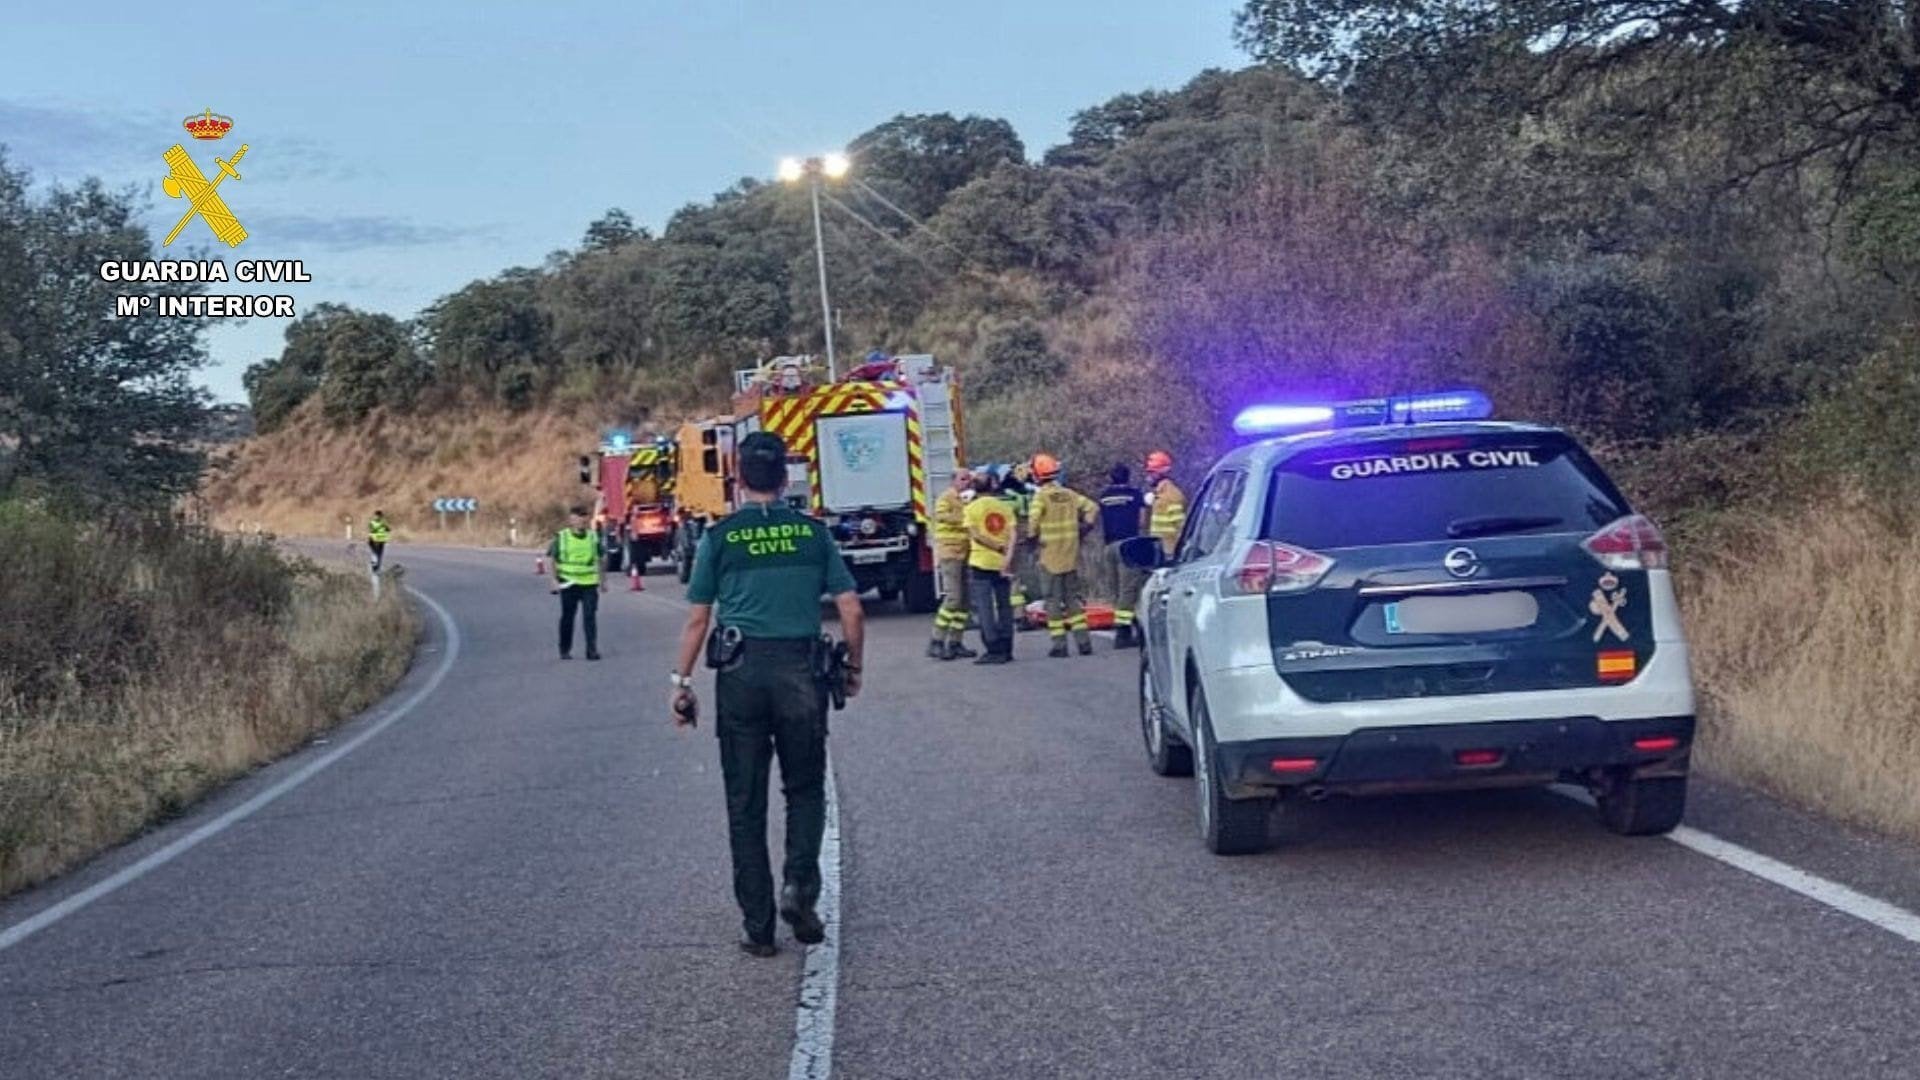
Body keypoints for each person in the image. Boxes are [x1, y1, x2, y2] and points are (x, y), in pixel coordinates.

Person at [670, 432, 866, 958]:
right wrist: (853, 667)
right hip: (800, 673)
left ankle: (758, 927)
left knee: (745, 800)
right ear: (784, 479)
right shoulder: (812, 534)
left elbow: (696, 620)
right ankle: (799, 887)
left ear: (737, 479)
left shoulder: (721, 538)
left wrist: (681, 683)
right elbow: (851, 608)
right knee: (804, 789)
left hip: (741, 675)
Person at [1026, 454, 1099, 658]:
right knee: (1072, 600)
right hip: (1070, 555)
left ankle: (1059, 645)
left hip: (1049, 557)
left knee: (1052, 602)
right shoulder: (1069, 494)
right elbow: (1092, 507)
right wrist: (1086, 527)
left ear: (1037, 475)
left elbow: (1033, 521)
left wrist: (1031, 539)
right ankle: (1083, 642)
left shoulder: (1040, 497)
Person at [964, 470, 1017, 665]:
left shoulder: (971, 509)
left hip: (981, 563)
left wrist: (996, 547)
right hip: (1002, 562)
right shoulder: (1004, 507)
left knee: (985, 608)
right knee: (1005, 606)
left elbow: (976, 535)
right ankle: (1008, 646)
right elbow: (1013, 535)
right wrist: (1007, 557)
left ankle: (993, 648)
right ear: (992, 486)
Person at [928, 467, 978, 661]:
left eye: (969, 480)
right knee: (953, 599)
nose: (967, 483)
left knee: (964, 602)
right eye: (963, 479)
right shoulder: (946, 498)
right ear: (954, 481)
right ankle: (936, 641)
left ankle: (956, 642)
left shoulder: (968, 500)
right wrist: (965, 518)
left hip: (965, 553)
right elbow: (940, 516)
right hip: (950, 553)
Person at [1097, 464, 1147, 648]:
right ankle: (1123, 632)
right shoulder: (1135, 494)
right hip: (1129, 545)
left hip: (1109, 545)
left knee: (1116, 589)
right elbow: (1142, 520)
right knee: (1129, 590)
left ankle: (1126, 622)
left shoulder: (1104, 496)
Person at [549, 505, 608, 661]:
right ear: (571, 520)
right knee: (568, 617)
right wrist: (554, 579)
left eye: (584, 517)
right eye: (577, 517)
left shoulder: (593, 537)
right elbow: (553, 559)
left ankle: (591, 650)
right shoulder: (562, 537)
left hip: (589, 583)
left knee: (589, 616)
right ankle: (564, 649)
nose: (581, 521)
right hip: (568, 583)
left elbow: (601, 559)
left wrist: (603, 581)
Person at [1145, 450, 1187, 557]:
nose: (1148, 476)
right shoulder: (1159, 494)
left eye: (1151, 472)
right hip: (1159, 550)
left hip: (1169, 552)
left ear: (1161, 473)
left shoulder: (1172, 495)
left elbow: (1180, 526)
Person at [366, 510, 391, 574]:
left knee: (377, 554)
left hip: (378, 540)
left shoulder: (373, 522)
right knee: (377, 554)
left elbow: (370, 530)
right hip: (376, 540)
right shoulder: (382, 523)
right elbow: (388, 530)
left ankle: (376, 566)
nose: (377, 517)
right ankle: (375, 566)